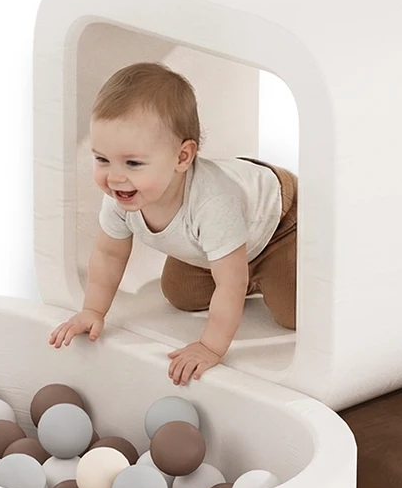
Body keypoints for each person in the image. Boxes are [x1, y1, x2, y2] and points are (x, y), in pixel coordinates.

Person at [48, 61, 297, 385]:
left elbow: (231, 283)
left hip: (277, 222)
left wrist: (210, 346)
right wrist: (92, 311)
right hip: (221, 241)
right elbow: (109, 254)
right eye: (102, 159)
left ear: (182, 157)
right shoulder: (121, 195)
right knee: (180, 293)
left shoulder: (213, 203)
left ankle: (266, 266)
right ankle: (237, 265)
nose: (115, 176)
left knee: (291, 312)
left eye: (133, 163)